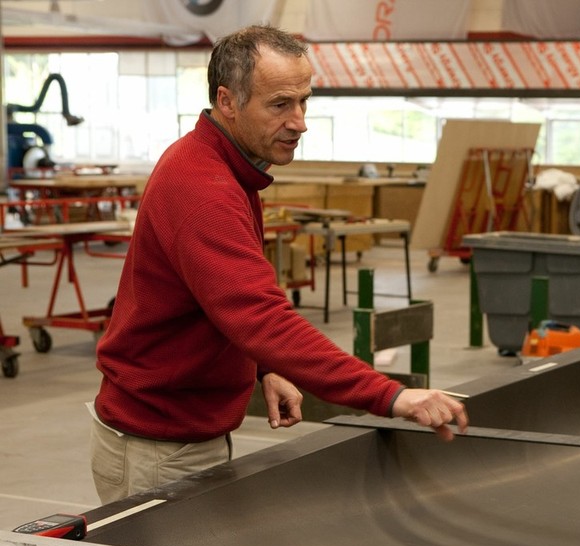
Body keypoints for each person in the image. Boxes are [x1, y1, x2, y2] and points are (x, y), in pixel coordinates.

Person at [89, 25, 468, 504]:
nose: (300, 122)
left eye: (304, 101)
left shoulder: (225, 166)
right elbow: (261, 316)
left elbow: (223, 299)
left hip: (181, 434)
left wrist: (265, 366)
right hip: (158, 447)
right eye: (280, 105)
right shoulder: (203, 188)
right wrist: (391, 395)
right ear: (227, 101)